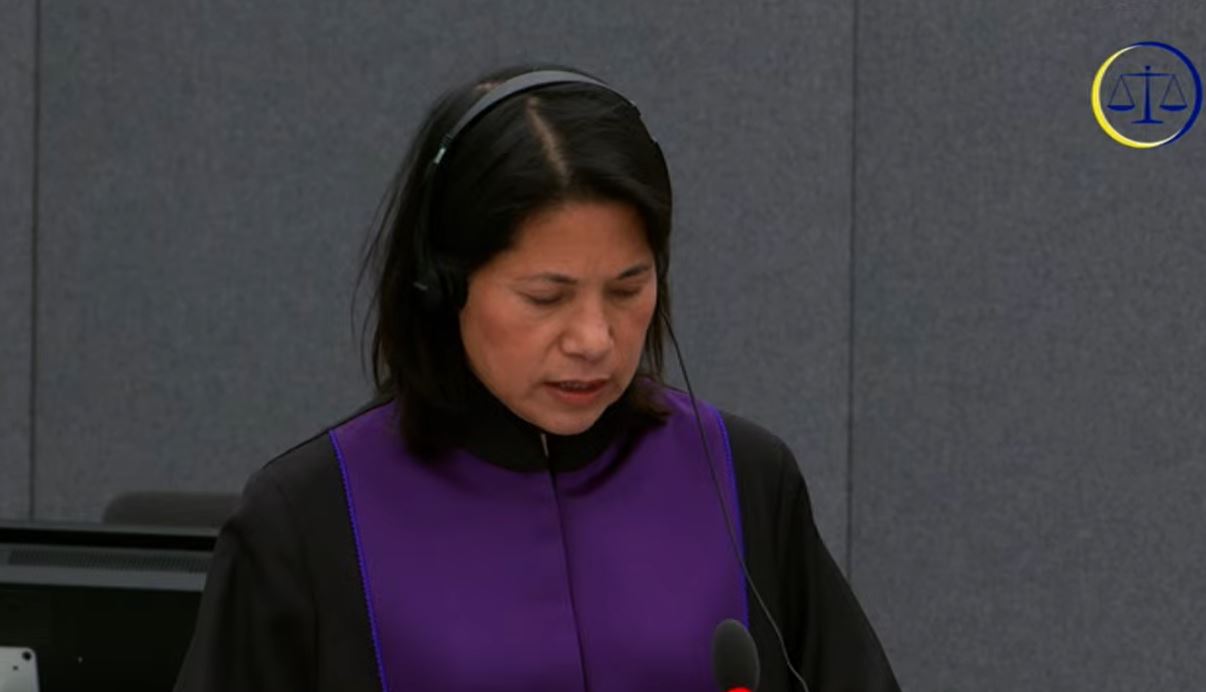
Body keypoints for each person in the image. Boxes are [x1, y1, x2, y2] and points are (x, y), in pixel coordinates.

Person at [174, 64, 901, 692]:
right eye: (546, 297)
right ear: (442, 287)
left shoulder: (744, 479)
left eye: (628, 288)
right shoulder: (309, 519)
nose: (594, 340)